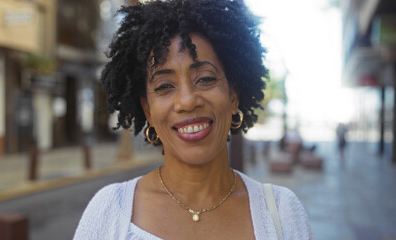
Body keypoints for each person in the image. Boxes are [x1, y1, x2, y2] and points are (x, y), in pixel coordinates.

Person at [74, 0, 314, 239]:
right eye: (165, 86)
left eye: (206, 79)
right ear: (147, 110)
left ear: (233, 96)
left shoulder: (282, 213)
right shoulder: (109, 212)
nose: (187, 101)